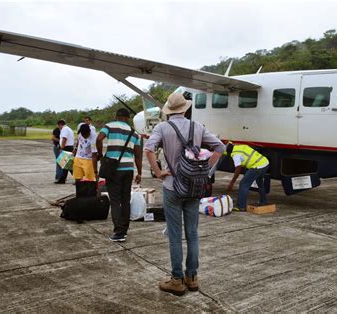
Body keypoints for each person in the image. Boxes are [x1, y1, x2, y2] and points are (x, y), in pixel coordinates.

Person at [144, 93, 224, 296]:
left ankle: (177, 280)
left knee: (174, 234)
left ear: (169, 111)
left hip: (172, 186)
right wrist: (205, 170)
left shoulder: (162, 127)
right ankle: (193, 277)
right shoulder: (197, 126)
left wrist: (159, 172)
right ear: (186, 109)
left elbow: (149, 149)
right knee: (193, 233)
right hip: (194, 187)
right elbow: (220, 147)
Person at [96, 108, 142, 243]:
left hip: (114, 169)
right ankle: (124, 230)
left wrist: (100, 154)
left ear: (116, 116)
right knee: (125, 200)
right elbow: (138, 156)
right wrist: (139, 173)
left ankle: (119, 232)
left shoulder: (109, 126)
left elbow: (99, 139)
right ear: (128, 118)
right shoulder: (135, 133)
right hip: (128, 169)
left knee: (115, 200)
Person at [225, 143, 270, 211]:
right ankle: (263, 201)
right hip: (265, 162)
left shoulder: (235, 155)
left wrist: (232, 183)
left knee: (243, 184)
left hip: (257, 166)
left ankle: (241, 206)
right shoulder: (240, 147)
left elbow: (238, 169)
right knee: (259, 182)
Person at [55, 119, 75, 184]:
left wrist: (61, 147)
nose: (58, 128)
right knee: (65, 165)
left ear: (60, 124)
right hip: (69, 147)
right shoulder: (68, 129)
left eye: (58, 126)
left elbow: (64, 138)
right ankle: (62, 179)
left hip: (66, 147)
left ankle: (77, 178)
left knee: (68, 165)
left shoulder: (64, 129)